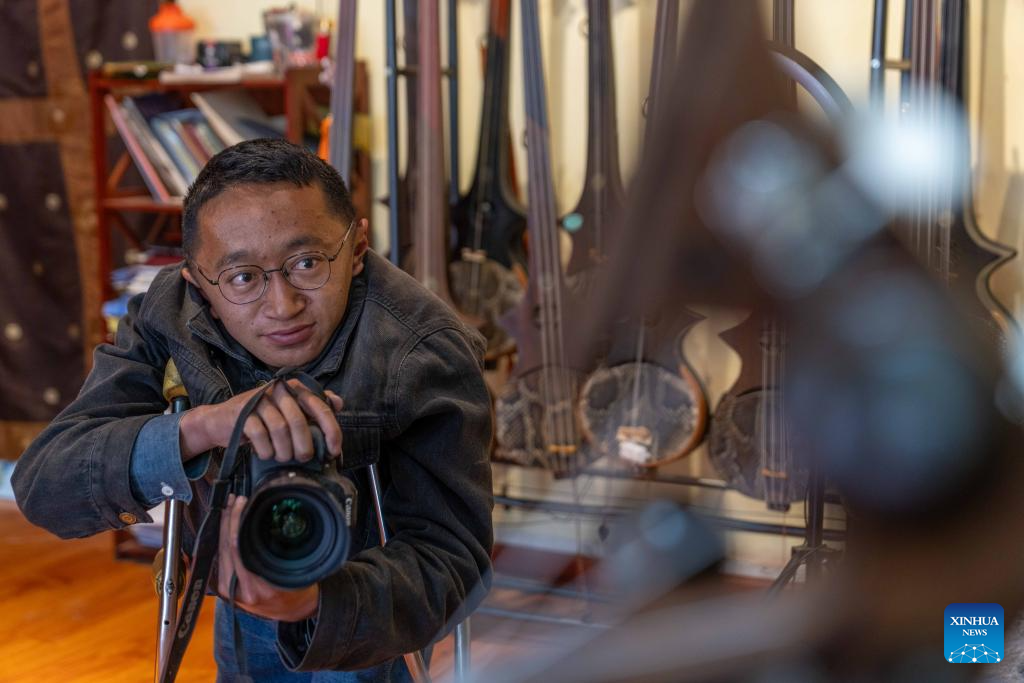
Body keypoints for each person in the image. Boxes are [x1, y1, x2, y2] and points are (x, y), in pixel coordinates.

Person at [12, 139, 495, 682]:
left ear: (357, 248)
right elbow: (45, 487)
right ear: (198, 282)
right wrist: (198, 429)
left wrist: (314, 603)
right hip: (236, 589)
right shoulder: (169, 315)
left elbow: (453, 561)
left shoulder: (423, 349)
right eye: (242, 277)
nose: (283, 305)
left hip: (364, 609)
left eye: (307, 263)